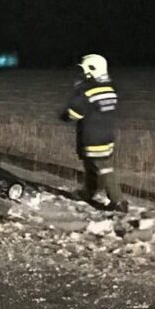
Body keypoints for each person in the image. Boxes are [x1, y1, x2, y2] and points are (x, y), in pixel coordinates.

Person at [60, 54, 127, 212]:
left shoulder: (87, 91)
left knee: (102, 168)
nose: (82, 74)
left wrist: (67, 110)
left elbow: (74, 113)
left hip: (92, 136)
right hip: (106, 134)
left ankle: (118, 201)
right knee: (91, 166)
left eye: (84, 71)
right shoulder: (110, 89)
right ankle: (88, 192)